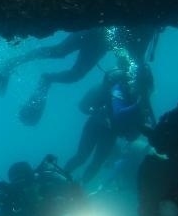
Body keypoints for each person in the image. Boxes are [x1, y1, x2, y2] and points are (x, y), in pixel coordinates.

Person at [65, 55, 163, 185]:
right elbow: (119, 113)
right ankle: (62, 178)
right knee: (83, 157)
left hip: (110, 131)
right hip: (97, 124)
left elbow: (136, 130)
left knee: (95, 161)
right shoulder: (119, 87)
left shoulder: (138, 93)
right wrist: (138, 105)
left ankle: (80, 185)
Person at [0, 28, 111, 125]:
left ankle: (21, 67)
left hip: (98, 37)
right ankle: (15, 65)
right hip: (98, 36)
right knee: (67, 62)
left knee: (64, 58)